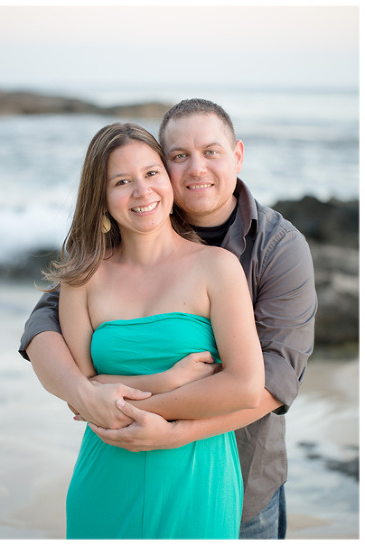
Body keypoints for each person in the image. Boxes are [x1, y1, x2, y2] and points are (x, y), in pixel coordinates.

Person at [20, 99, 317, 538]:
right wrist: (166, 382)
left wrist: (166, 428)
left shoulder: (274, 250)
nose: (196, 168)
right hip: (109, 472)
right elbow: (52, 340)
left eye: (211, 151)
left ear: (237, 155)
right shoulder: (93, 267)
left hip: (236, 476)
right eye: (179, 156)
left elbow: (268, 380)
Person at [46, 122, 265, 538]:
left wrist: (123, 397)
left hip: (197, 479)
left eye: (151, 174)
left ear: (168, 180)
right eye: (122, 181)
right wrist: (165, 380)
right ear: (102, 197)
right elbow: (83, 395)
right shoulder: (82, 279)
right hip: (105, 477)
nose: (142, 192)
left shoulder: (216, 267)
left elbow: (246, 387)